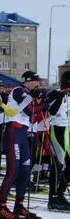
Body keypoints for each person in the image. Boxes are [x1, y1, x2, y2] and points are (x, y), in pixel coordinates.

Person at [0, 71, 43, 219]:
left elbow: (35, 113)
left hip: (24, 133)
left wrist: (41, 103)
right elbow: (28, 111)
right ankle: (2, 207)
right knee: (13, 169)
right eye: (36, 81)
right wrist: (40, 104)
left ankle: (19, 204)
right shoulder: (19, 90)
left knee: (25, 169)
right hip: (14, 130)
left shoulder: (29, 94)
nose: (38, 84)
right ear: (28, 81)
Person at [47, 71, 70, 210]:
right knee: (58, 164)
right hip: (57, 129)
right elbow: (52, 111)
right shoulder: (55, 93)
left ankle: (60, 193)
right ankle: (53, 197)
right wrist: (61, 95)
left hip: (67, 130)